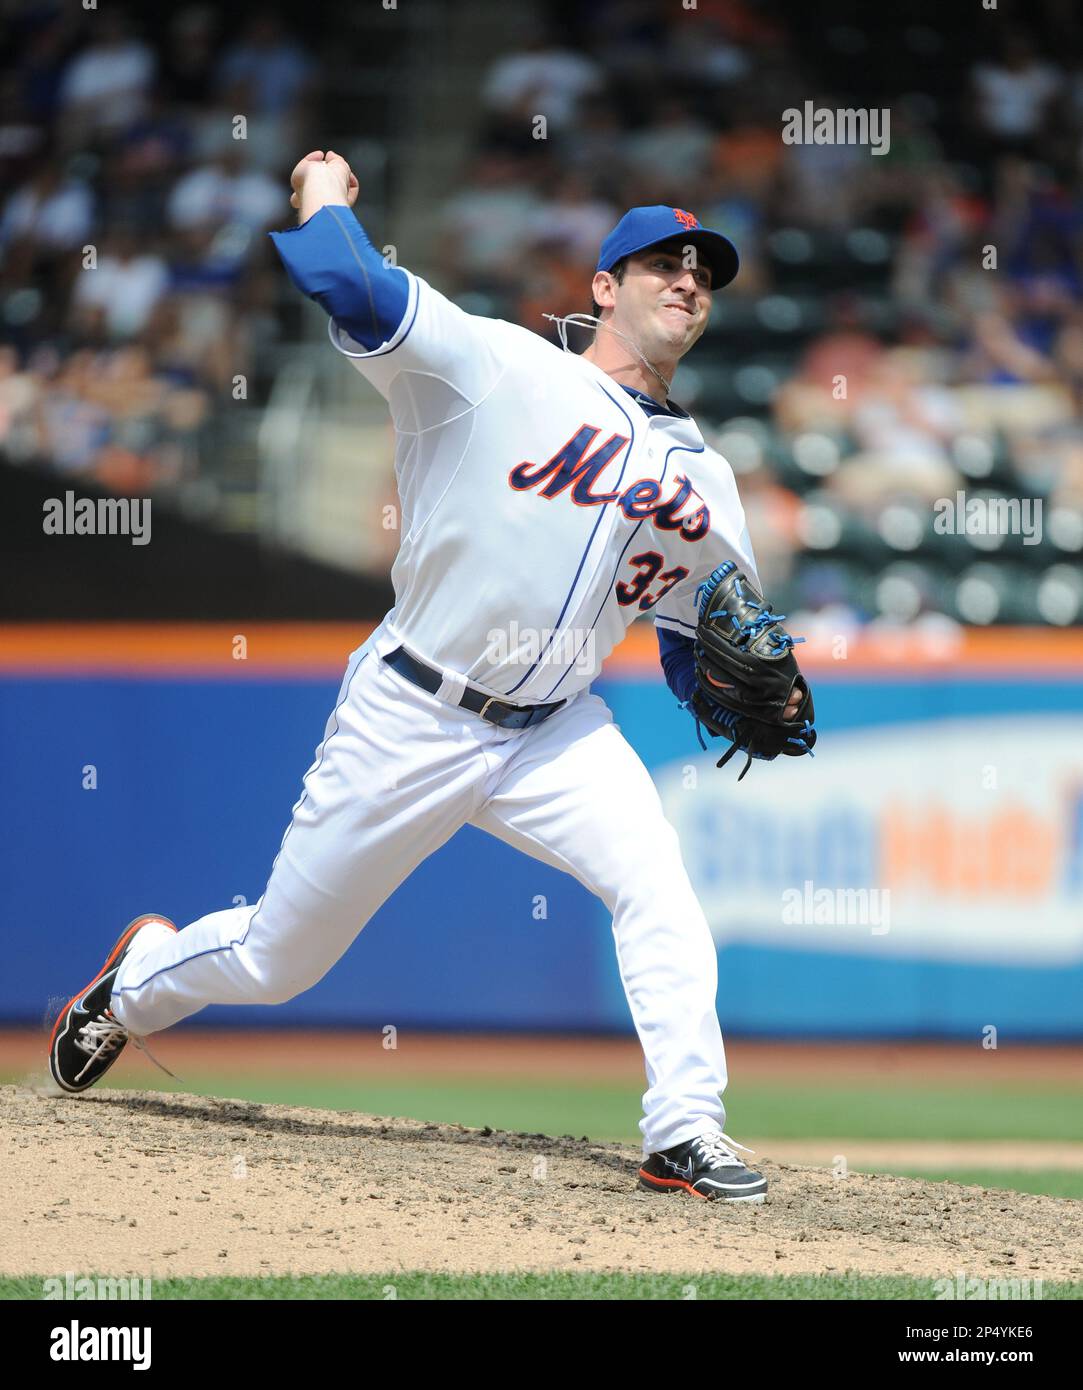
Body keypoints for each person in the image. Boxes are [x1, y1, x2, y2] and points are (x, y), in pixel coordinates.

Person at [49, 150, 815, 1204]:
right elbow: (347, 283)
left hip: (555, 732)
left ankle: (683, 1131)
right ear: (604, 285)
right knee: (281, 960)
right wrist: (324, 199)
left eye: (703, 271)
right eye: (660, 263)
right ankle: (135, 985)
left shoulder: (708, 480)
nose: (688, 280)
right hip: (414, 706)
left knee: (659, 886)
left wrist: (749, 685)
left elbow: (698, 642)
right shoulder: (494, 364)